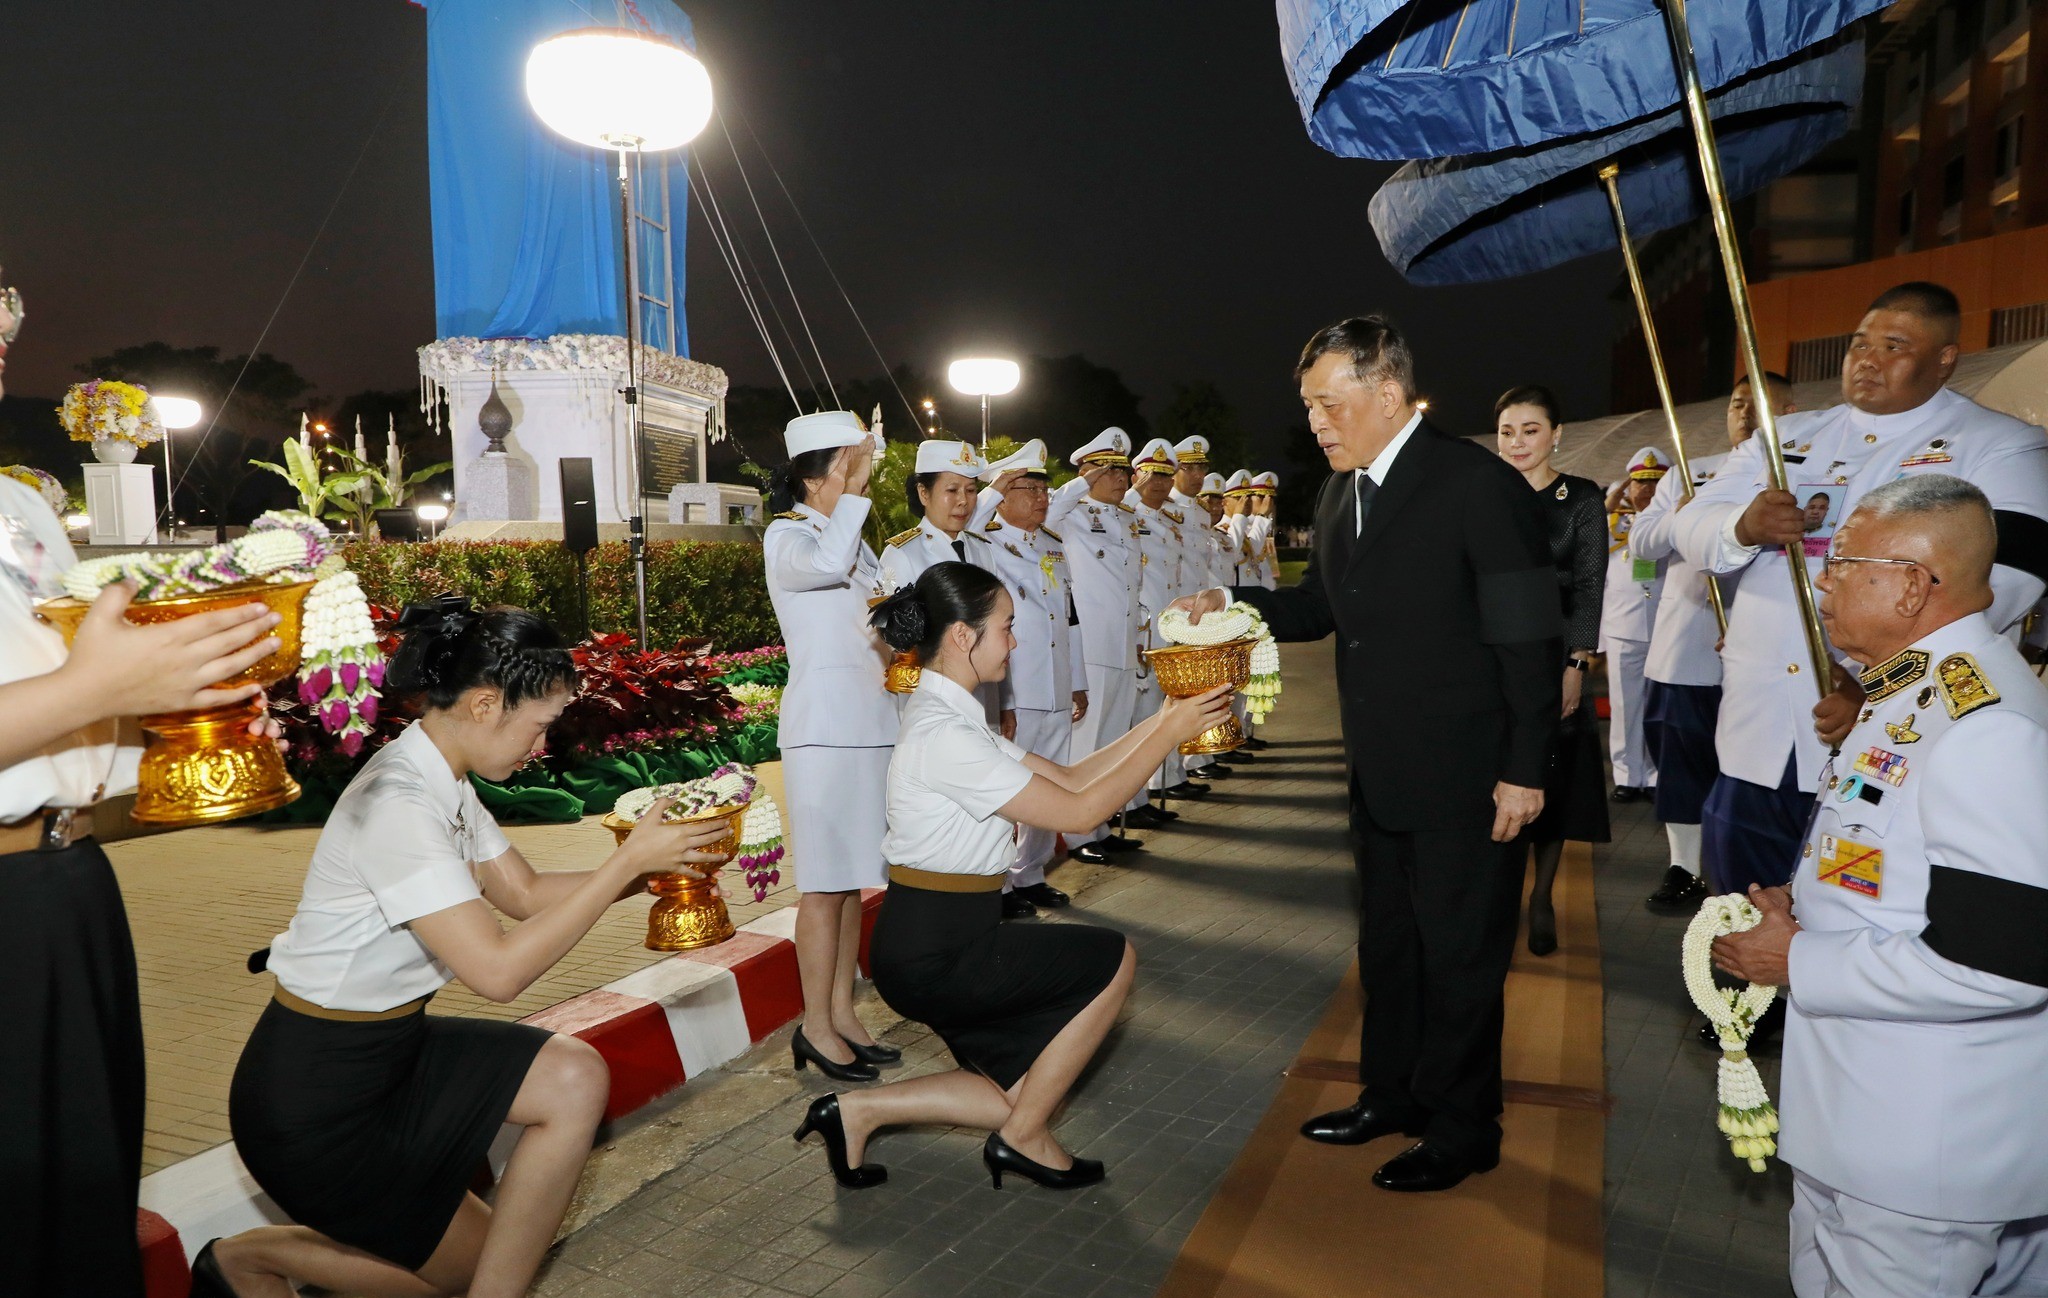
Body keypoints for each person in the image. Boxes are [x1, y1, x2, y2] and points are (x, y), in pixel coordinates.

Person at [205, 600, 733, 1298]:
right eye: (539, 724)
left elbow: (526, 893)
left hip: (395, 1052)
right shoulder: (399, 803)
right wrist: (624, 862)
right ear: (486, 704)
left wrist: (656, 872)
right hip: (316, 1097)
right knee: (457, 1280)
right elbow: (497, 971)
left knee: (570, 1078)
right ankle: (243, 1262)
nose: (541, 744)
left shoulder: (442, 780)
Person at [1174, 315, 1560, 1192]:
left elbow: (1529, 642)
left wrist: (1524, 770)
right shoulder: (1339, 492)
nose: (1316, 423)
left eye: (1329, 404)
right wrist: (1234, 604)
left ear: (1387, 394)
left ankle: (1462, 1128)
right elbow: (1321, 605)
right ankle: (1393, 1095)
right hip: (1380, 771)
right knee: (1390, 949)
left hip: (1470, 776)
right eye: (1309, 407)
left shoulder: (1476, 484)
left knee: (1460, 960)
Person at [0, 269, 293, 1297]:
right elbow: (79, 686)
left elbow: (66, 711)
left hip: (62, 883)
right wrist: (102, 685)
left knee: (82, 1210)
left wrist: (189, 710)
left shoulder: (20, 509)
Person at [1712, 476, 2048, 1298]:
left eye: (1840, 563)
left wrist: (1797, 960)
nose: (1821, 583)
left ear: (1910, 584)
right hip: (1866, 1120)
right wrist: (1803, 908)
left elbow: (2002, 964)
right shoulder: (1914, 687)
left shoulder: (1984, 727)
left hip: (1922, 1151)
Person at [793, 563, 1233, 1190]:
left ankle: (855, 1113)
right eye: (1006, 627)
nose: (1015, 641)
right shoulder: (946, 734)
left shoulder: (950, 717)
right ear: (964, 636)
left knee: (1022, 1093)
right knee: (1114, 959)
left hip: (945, 936)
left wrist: (1162, 721)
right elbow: (1080, 813)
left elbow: (1073, 779)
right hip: (938, 948)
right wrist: (1169, 736)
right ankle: (1024, 1140)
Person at [1669, 281, 2048, 897]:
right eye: (1859, 344)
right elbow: (1689, 524)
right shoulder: (1785, 438)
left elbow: (2008, 579)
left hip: (1890, 737)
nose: (1867, 360)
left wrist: (1877, 683)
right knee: (1739, 914)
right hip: (1756, 737)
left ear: (1945, 359)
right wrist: (1742, 525)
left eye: (1894, 346)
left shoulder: (1999, 445)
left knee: (1851, 908)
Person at [763, 412, 901, 1083]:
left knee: (851, 883)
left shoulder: (853, 540)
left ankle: (842, 1012)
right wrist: (853, 485)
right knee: (822, 886)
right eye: (850, 461)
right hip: (822, 730)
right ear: (821, 472)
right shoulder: (788, 536)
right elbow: (825, 566)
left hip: (871, 721)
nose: (862, 473)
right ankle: (814, 1025)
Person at [1634, 373, 1794, 914]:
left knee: (1754, 773)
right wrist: (1684, 514)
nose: (1744, 415)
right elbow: (1643, 541)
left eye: (1758, 405)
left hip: (1766, 657)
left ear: (1789, 412)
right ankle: (1684, 868)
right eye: (1736, 404)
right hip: (1687, 651)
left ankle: (1760, 883)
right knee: (1681, 764)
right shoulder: (1691, 472)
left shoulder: (1803, 474)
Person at [1494, 385, 1608, 957]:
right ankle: (1499, 893)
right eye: (1507, 431)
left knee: (1555, 779)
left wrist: (1576, 663)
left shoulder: (1580, 498)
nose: (1518, 442)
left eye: (1531, 429)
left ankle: (1541, 897)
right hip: (1493, 658)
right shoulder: (1485, 495)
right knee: (1496, 771)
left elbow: (1589, 585)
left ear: (1556, 434)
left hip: (1557, 654)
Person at [976, 439, 1088, 917]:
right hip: (1017, 687)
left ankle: (1031, 873)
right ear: (1002, 495)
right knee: (1007, 788)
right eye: (1030, 489)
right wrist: (1002, 699)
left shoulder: (1052, 545)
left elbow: (1069, 618)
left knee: (1052, 784)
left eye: (1045, 490)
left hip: (1056, 684)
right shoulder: (986, 542)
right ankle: (999, 885)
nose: (1043, 498)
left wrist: (1077, 679)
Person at [1043, 429, 1143, 865]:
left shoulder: (1126, 519)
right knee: (1087, 745)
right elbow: (1050, 510)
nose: (1121, 478)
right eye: (1109, 471)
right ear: (1087, 473)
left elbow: (1132, 584)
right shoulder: (1070, 514)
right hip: (1091, 649)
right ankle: (1076, 830)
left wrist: (1140, 635)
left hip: (1122, 645)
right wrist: (1081, 483)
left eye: (1123, 470)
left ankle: (1100, 824)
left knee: (1114, 743)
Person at [1124, 438, 1200, 819]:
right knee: (1140, 720)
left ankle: (1154, 789)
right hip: (1144, 632)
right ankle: (1133, 801)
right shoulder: (1126, 513)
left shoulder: (1170, 521)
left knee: (1162, 712)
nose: (1159, 482)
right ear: (1136, 476)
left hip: (1171, 629)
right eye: (1151, 474)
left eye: (1166, 475)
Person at [1602, 449, 1668, 802]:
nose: (1647, 489)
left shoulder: (1674, 520)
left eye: (1655, 482)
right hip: (1623, 627)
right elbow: (1587, 555)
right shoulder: (1614, 523)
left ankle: (1656, 775)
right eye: (1641, 482)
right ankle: (1627, 774)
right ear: (1629, 485)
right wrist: (1606, 510)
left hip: (1665, 627)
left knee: (1659, 707)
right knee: (1625, 706)